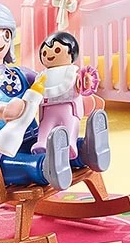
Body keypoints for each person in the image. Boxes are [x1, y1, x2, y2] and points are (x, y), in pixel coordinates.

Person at [0, 2, 110, 192]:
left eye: (6, 35)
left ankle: (87, 150)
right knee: (34, 162)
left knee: (54, 147)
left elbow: (49, 85)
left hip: (32, 142)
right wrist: (4, 110)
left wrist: (76, 93)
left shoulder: (20, 74)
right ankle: (48, 167)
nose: (1, 42)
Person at [32, 32, 110, 171]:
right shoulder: (42, 76)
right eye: (45, 52)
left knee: (69, 125)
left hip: (68, 108)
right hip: (47, 110)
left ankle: (70, 145)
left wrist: (86, 82)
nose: (50, 54)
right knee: (45, 127)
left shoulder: (72, 73)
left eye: (57, 50)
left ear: (72, 53)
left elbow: (83, 86)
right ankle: (42, 143)